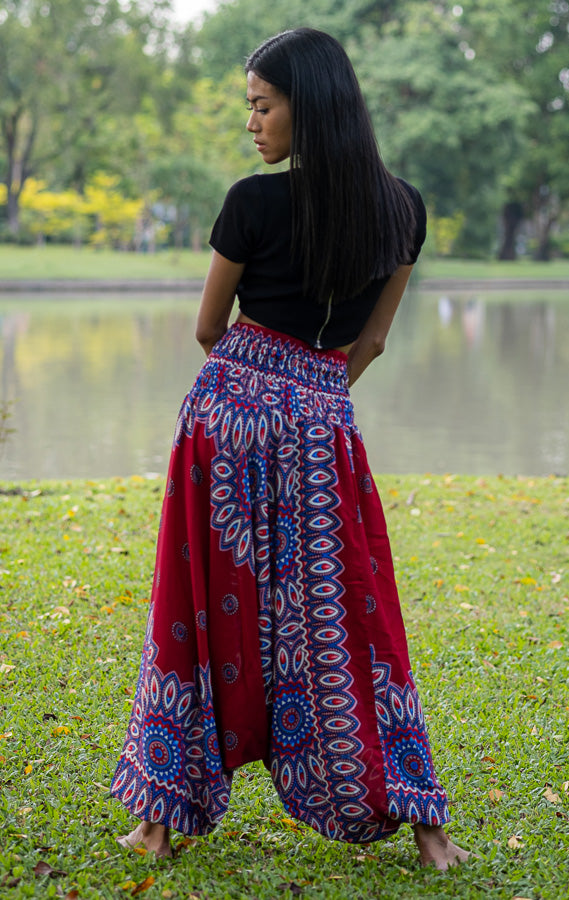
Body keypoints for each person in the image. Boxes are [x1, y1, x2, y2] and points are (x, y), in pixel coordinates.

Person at [111, 27, 469, 871]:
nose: (252, 124)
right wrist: (309, 397)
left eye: (261, 105)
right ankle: (428, 830)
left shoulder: (252, 202)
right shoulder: (404, 209)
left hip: (225, 421)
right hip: (323, 426)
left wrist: (257, 385)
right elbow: (372, 343)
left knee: (198, 608)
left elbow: (208, 328)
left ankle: (158, 823)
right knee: (355, 613)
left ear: (305, 107)